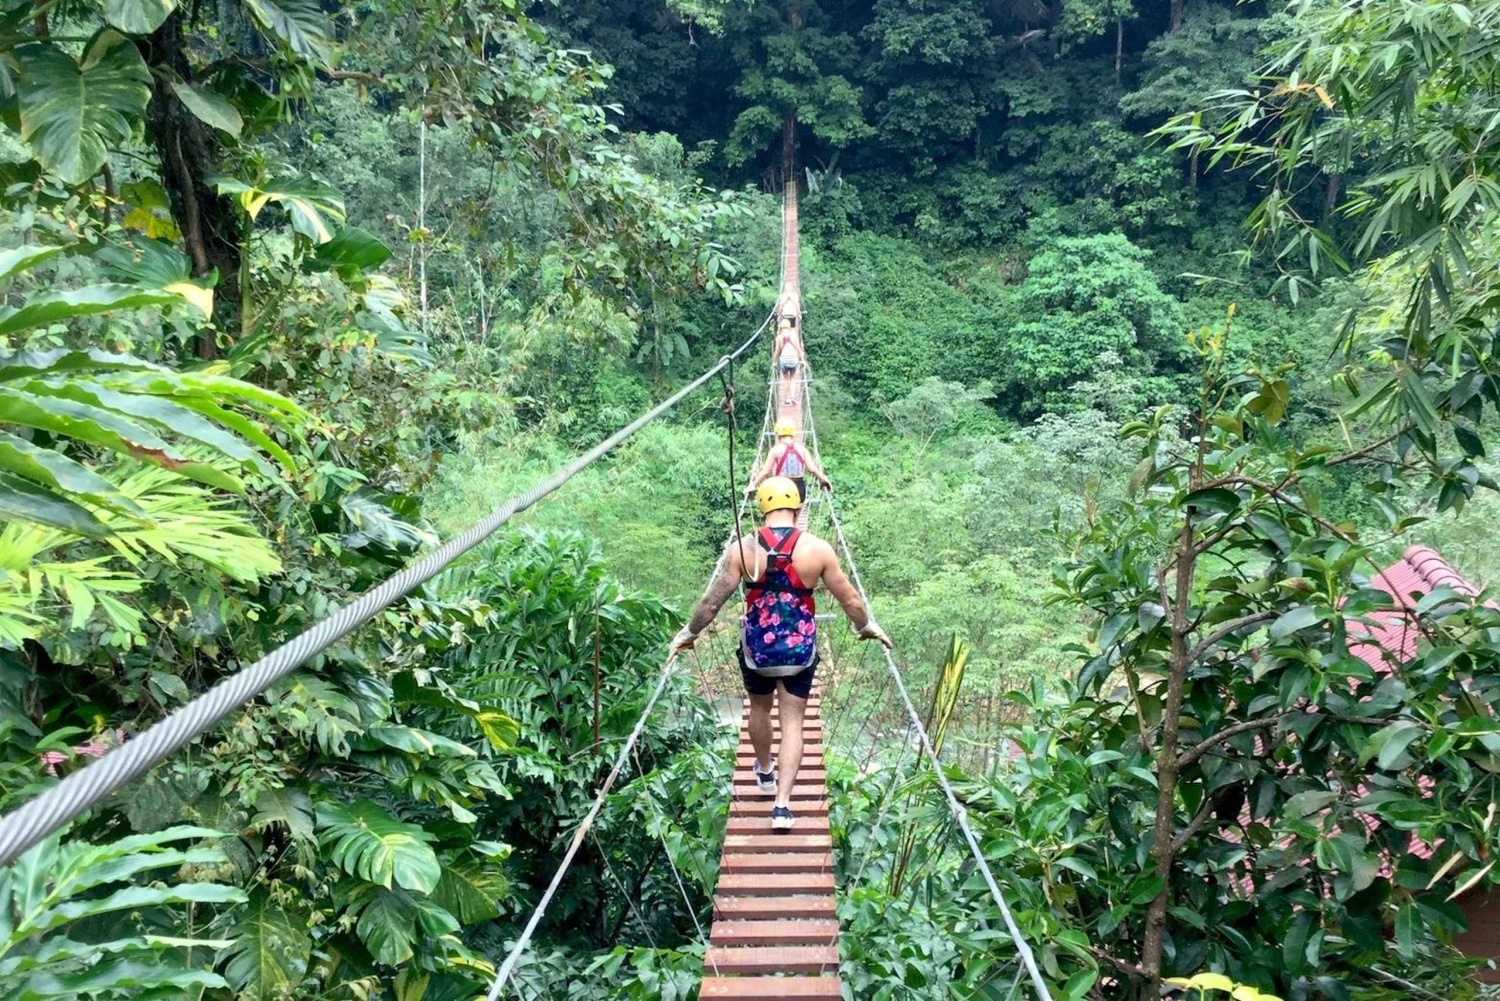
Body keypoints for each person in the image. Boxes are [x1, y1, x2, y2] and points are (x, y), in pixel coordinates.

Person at [670, 477, 890, 830]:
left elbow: (712, 602)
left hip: (757, 650)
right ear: (798, 508)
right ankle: (782, 807)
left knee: (759, 708)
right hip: (799, 651)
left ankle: (764, 770)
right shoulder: (818, 549)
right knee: (793, 723)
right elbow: (849, 599)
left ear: (762, 508)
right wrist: (866, 627)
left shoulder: (742, 549)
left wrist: (689, 633)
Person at [753, 422, 831, 504]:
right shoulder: (802, 449)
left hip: (782, 486)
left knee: (781, 509)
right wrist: (823, 479)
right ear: (792, 433)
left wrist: (753, 485)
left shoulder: (775, 450)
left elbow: (765, 471)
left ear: (778, 433)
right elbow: (812, 469)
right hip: (799, 486)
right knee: (797, 510)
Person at [776, 320, 802, 407]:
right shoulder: (794, 335)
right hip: (793, 359)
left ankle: (786, 399)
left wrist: (774, 362)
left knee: (786, 379)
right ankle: (792, 397)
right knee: (792, 379)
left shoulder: (779, 337)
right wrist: (802, 360)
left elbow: (777, 351)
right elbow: (798, 349)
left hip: (784, 360)